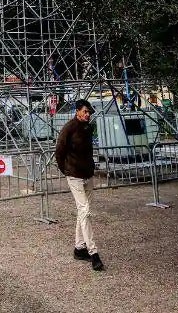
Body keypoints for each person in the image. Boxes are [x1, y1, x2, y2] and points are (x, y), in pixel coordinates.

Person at [55, 99, 103, 271]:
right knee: (85, 211)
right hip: (74, 176)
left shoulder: (88, 128)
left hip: (87, 174)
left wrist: (90, 168)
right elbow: (59, 151)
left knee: (83, 211)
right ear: (77, 111)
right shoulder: (69, 128)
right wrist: (66, 170)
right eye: (85, 112)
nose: (88, 115)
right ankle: (93, 252)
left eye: (89, 112)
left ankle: (79, 248)